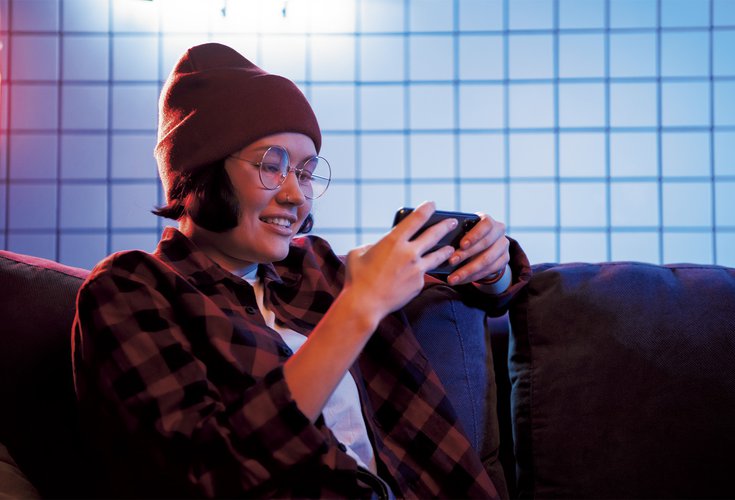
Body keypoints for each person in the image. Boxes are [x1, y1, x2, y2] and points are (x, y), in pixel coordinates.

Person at [72, 42, 530, 499]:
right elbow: (205, 475)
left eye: (306, 173)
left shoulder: (317, 269)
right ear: (202, 171)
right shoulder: (131, 288)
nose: (295, 196)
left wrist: (491, 265)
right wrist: (358, 309)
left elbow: (484, 292)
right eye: (271, 167)